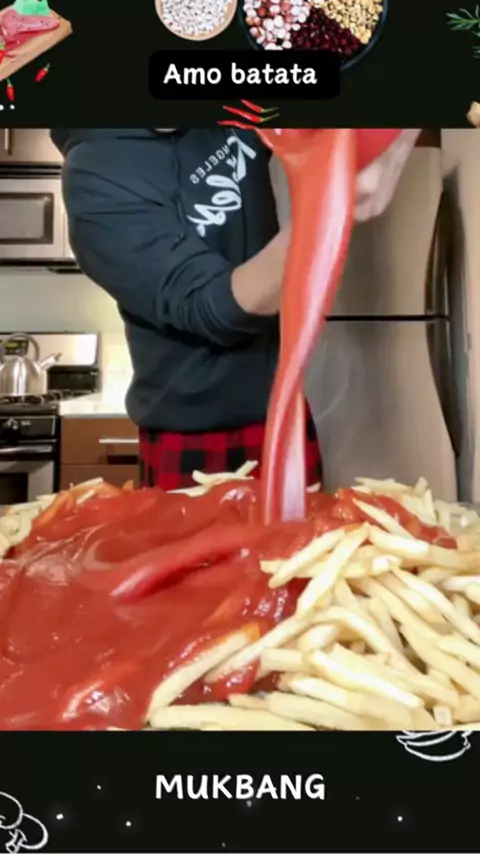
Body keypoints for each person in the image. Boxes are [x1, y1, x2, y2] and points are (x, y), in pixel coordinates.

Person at [51, 128, 419, 490]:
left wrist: (398, 130)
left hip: (282, 407)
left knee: (312, 532)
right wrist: (323, 215)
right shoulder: (96, 176)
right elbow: (217, 307)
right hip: (192, 435)